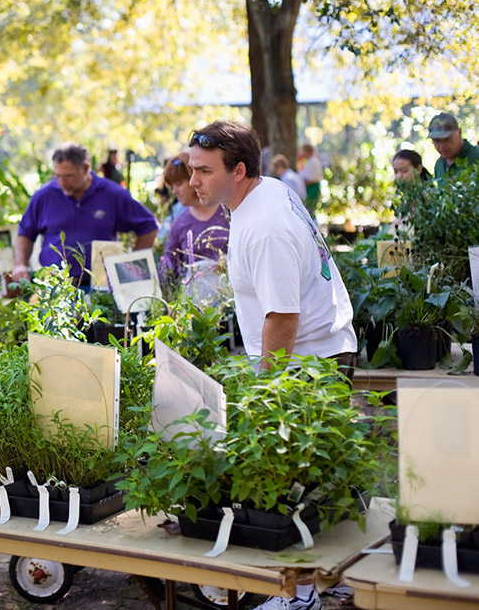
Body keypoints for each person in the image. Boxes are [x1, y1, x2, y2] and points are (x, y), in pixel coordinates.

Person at [187, 121, 356, 610]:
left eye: (204, 171)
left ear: (238, 170)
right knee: (321, 472)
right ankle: (331, 577)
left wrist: (266, 391)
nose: (193, 180)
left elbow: (283, 315)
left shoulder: (264, 227)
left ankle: (300, 593)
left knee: (292, 477)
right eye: (192, 169)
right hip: (324, 349)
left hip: (307, 361)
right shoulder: (265, 192)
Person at [14, 143, 158, 287]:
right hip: (55, 287)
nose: (62, 183)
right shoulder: (44, 196)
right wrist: (21, 265)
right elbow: (25, 232)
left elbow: (148, 226)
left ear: (86, 168)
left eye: (69, 176)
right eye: (58, 176)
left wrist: (133, 266)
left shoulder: (112, 194)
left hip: (100, 288)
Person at [159, 152, 229, 279]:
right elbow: (168, 269)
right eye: (172, 186)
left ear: (194, 180)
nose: (174, 191)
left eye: (179, 184)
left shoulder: (227, 211)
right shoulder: (180, 222)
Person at [427, 112, 479, 179]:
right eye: (436, 141)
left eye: (447, 139)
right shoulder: (439, 165)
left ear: (459, 132)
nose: (442, 146)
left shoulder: (476, 155)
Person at [297, 143, 323, 214]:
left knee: (310, 209)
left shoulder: (313, 162)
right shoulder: (310, 161)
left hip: (312, 187)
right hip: (309, 187)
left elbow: (310, 178)